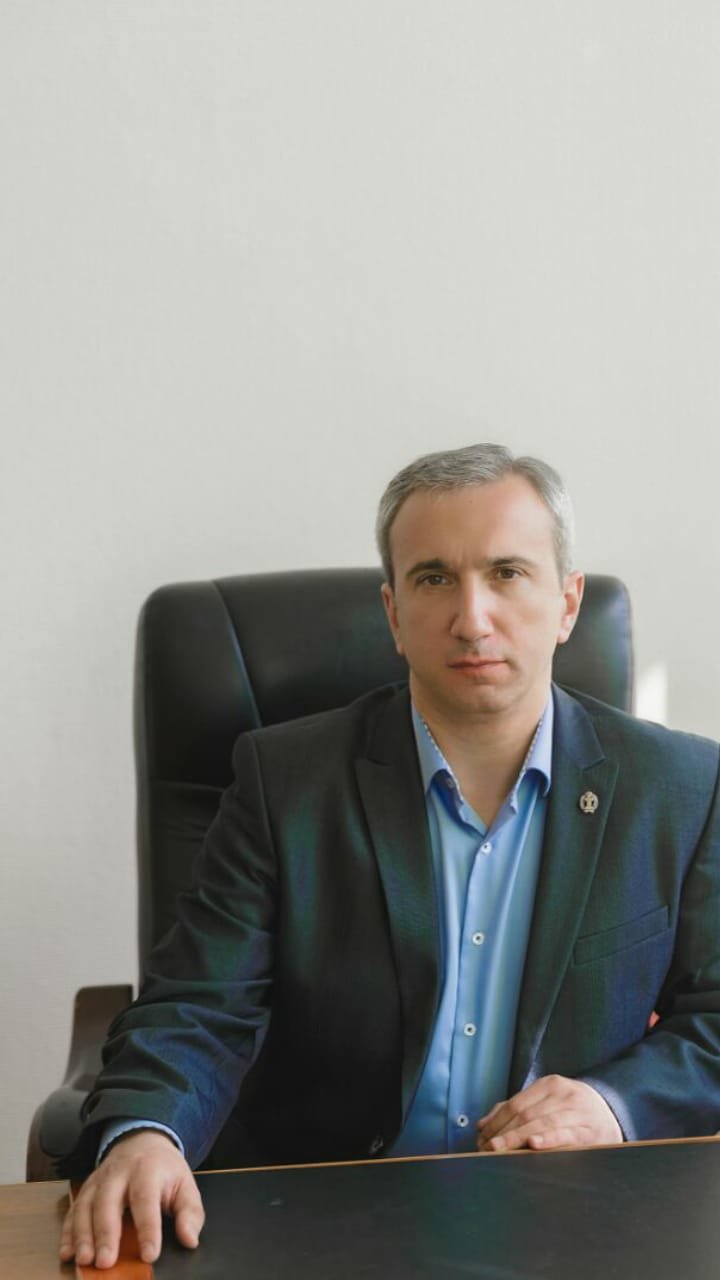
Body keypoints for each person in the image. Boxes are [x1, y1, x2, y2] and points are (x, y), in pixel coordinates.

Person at [61, 443, 720, 1270]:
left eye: (508, 573)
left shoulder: (680, 788)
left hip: (572, 1220)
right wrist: (147, 1133)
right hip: (323, 1221)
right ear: (393, 613)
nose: (472, 618)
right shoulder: (286, 780)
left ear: (567, 603)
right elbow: (200, 1004)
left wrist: (614, 1104)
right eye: (434, 578)